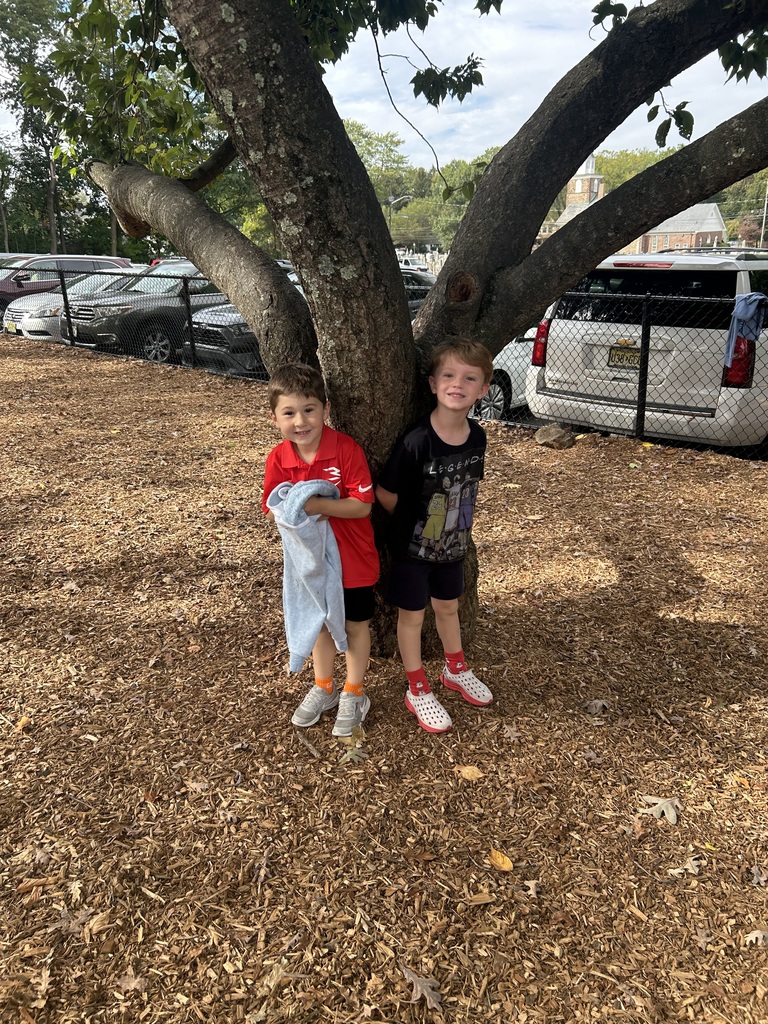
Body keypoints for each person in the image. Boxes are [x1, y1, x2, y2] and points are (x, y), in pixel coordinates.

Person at [375, 338, 495, 734]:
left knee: (448, 608)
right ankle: (417, 687)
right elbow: (386, 493)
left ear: (483, 389)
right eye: (448, 374)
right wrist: (416, 524)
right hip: (413, 551)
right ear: (432, 384)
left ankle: (455, 669)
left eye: (469, 377)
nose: (457, 383)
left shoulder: (477, 437)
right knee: (411, 617)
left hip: (454, 547)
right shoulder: (417, 441)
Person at [262, 363, 379, 737]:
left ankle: (355, 691)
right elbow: (275, 506)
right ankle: (324, 686)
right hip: (310, 565)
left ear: (325, 409)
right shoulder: (279, 458)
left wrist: (314, 505)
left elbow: (361, 506)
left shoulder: (345, 450)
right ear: (275, 417)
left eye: (309, 409)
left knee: (353, 624)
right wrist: (297, 509)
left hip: (353, 558)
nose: (301, 421)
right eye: (290, 413)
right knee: (320, 626)